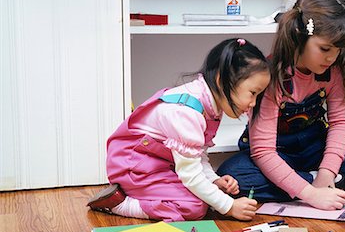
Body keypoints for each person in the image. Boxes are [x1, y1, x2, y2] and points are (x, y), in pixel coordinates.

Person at [217, 0, 345, 211]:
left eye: (338, 50)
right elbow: (263, 151)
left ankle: (326, 179)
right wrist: (311, 193)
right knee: (232, 178)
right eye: (325, 48)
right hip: (277, 152)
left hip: (316, 146)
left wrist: (327, 171)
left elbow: (341, 123)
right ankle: (334, 181)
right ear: (300, 35)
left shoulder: (332, 70)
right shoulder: (270, 75)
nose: (332, 57)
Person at [87, 38, 270, 221]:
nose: (253, 104)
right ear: (222, 81)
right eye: (252, 93)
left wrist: (213, 180)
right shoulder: (187, 113)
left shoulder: (212, 103)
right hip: (133, 166)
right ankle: (120, 203)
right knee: (194, 207)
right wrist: (229, 206)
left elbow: (198, 155)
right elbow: (190, 175)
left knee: (205, 195)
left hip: (159, 164)